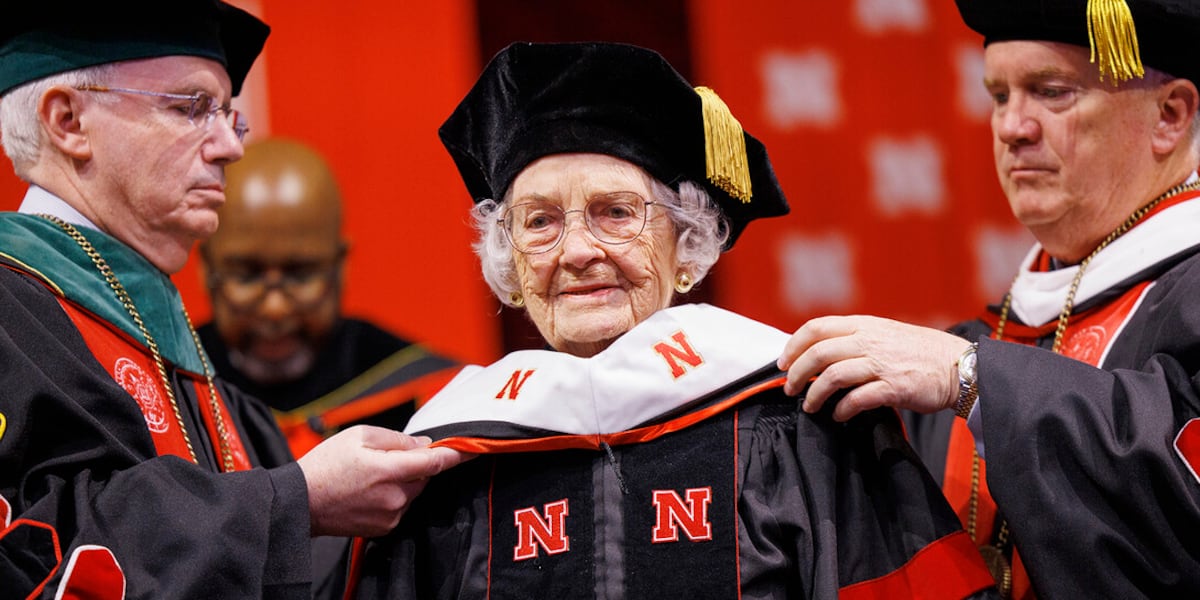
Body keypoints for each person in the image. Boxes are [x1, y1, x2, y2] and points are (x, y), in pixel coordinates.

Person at [349, 41, 997, 599]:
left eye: (616, 213)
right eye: (540, 222)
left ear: (686, 247)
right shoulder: (447, 461)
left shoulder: (795, 420)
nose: (577, 251)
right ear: (511, 267)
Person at [0, 3, 466, 597]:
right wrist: (294, 502)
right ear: (69, 121)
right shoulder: (13, 308)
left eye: (228, 115)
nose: (230, 147)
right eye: (192, 108)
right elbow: (31, 550)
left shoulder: (160, 332)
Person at [778, 0, 1200, 598]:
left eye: (1051, 92)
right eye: (1000, 96)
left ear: (1170, 114)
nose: (1011, 127)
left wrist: (975, 380)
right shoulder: (998, 326)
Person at [198, 137, 461, 459]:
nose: (275, 308)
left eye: (302, 274)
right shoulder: (172, 389)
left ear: (340, 268)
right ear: (206, 267)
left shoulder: (425, 395)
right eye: (246, 275)